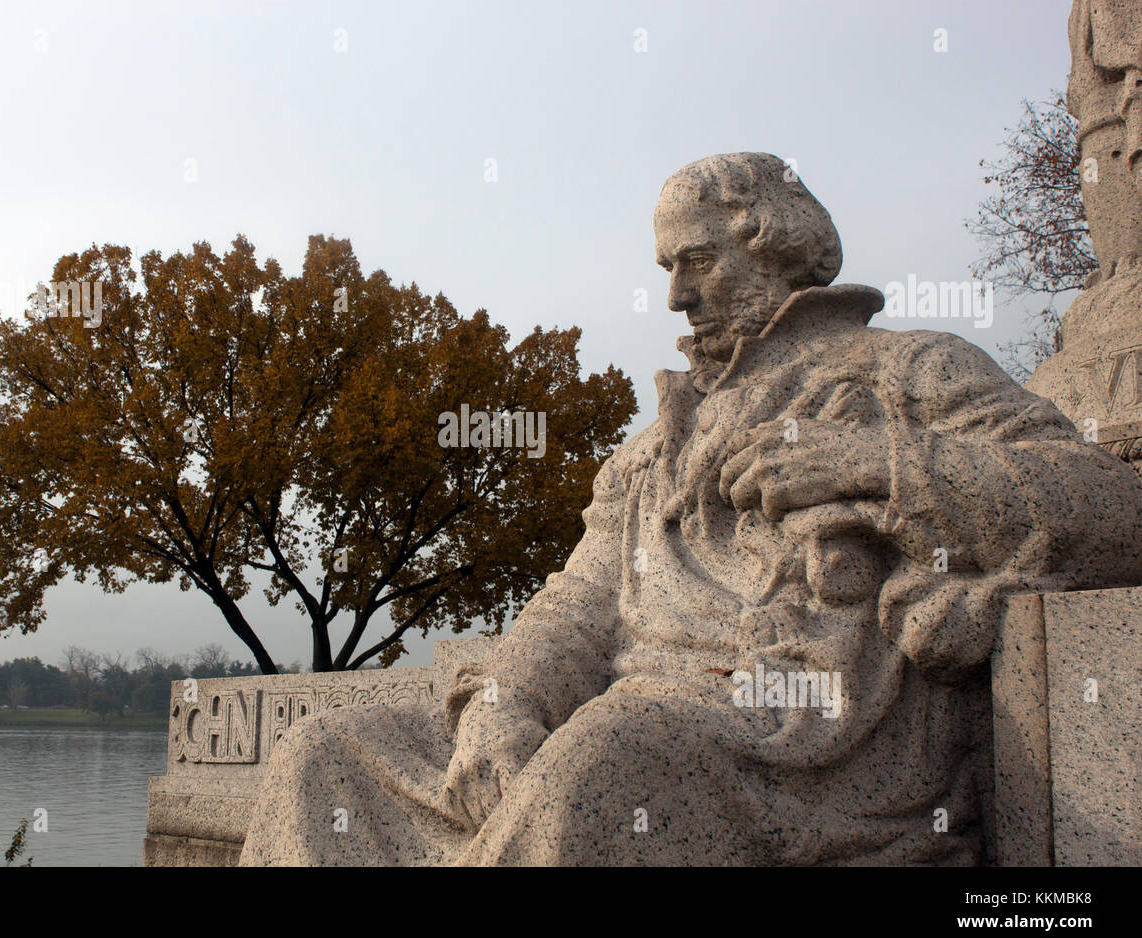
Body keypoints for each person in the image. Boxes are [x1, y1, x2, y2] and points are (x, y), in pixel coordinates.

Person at [240, 153, 1142, 866]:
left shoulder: (907, 371)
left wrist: (880, 461)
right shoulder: (653, 443)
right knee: (324, 757)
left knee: (610, 758)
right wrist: (503, 702)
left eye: (698, 260)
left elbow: (1112, 505)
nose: (675, 295)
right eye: (668, 267)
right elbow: (579, 602)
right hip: (628, 717)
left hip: (800, 739)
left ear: (777, 244)